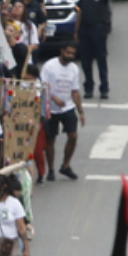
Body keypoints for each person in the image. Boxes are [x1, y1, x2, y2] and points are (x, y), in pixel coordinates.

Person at [39, 44, 84, 181]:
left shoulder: (74, 69)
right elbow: (42, 86)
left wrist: (80, 111)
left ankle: (65, 165)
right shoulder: (49, 66)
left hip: (68, 108)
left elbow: (75, 90)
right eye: (68, 52)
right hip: (51, 108)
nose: (70, 56)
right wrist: (54, 98)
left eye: (73, 54)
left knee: (73, 136)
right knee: (51, 140)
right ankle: (51, 169)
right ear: (62, 51)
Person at [74, 0, 114, 100]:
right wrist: (76, 29)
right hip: (85, 29)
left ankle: (104, 88)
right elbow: (80, 9)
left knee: (101, 59)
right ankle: (88, 87)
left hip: (99, 28)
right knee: (86, 61)